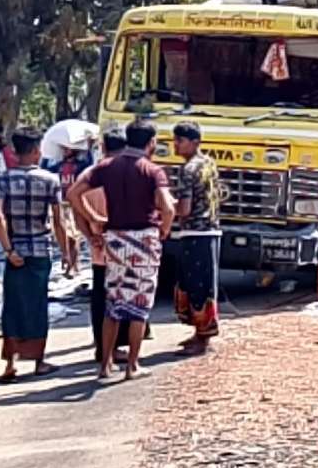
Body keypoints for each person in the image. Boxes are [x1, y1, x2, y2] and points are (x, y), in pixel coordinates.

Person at [67, 119, 175, 380]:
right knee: (140, 303)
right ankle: (132, 365)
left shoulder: (104, 167)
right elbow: (167, 207)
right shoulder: (152, 171)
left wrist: (95, 218)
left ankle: (105, 364)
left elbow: (73, 193)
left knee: (113, 302)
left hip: (114, 238)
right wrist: (164, 229)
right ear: (151, 143)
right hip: (144, 238)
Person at [0, 126, 69, 381]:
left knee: (12, 306)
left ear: (14, 150)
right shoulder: (50, 180)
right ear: (36, 151)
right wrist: (66, 253)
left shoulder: (1, 180)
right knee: (37, 306)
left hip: (15, 251)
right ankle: (38, 360)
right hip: (39, 251)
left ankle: (10, 363)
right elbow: (58, 222)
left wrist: (7, 249)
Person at [74, 126, 138, 368]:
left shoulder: (90, 174)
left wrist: (90, 234)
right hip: (123, 246)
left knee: (100, 296)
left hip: (98, 247)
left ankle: (102, 346)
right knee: (122, 296)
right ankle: (117, 348)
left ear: (102, 147)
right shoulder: (125, 173)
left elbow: (76, 207)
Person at [170, 122, 221, 356]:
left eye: (180, 140)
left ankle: (203, 338)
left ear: (194, 142)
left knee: (196, 286)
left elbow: (184, 208)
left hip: (195, 232)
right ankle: (200, 334)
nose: (176, 145)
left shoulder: (187, 170)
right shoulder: (209, 164)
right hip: (210, 230)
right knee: (203, 284)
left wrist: (165, 206)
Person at [43, 143, 94, 278]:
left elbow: (90, 164)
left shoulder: (81, 165)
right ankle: (71, 261)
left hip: (74, 202)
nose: (65, 151)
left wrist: (89, 146)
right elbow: (44, 169)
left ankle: (72, 264)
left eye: (68, 148)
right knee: (63, 232)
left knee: (74, 235)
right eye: (63, 148)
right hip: (60, 202)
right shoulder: (55, 166)